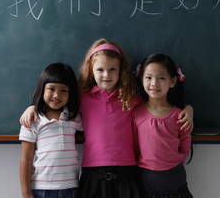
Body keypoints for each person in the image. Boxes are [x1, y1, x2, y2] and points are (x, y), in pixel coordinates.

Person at [20, 39, 194, 198]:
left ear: (120, 70)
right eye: (100, 70)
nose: (106, 75)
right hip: (92, 172)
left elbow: (157, 105)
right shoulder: (83, 98)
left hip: (128, 171)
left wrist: (188, 108)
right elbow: (56, 104)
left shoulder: (132, 98)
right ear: (91, 70)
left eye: (112, 69)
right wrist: (32, 107)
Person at [133, 53, 193, 197]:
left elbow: (185, 144)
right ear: (141, 79)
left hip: (174, 177)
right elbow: (134, 145)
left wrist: (173, 161)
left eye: (161, 78)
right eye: (149, 77)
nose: (154, 83)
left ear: (172, 81)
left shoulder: (180, 115)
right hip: (146, 178)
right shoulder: (136, 113)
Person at [19, 63, 82, 198]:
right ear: (42, 89)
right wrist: (25, 193)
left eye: (63, 90)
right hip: (43, 189)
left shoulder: (74, 117)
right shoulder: (33, 119)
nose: (56, 95)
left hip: (71, 187)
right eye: (51, 89)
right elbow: (26, 158)